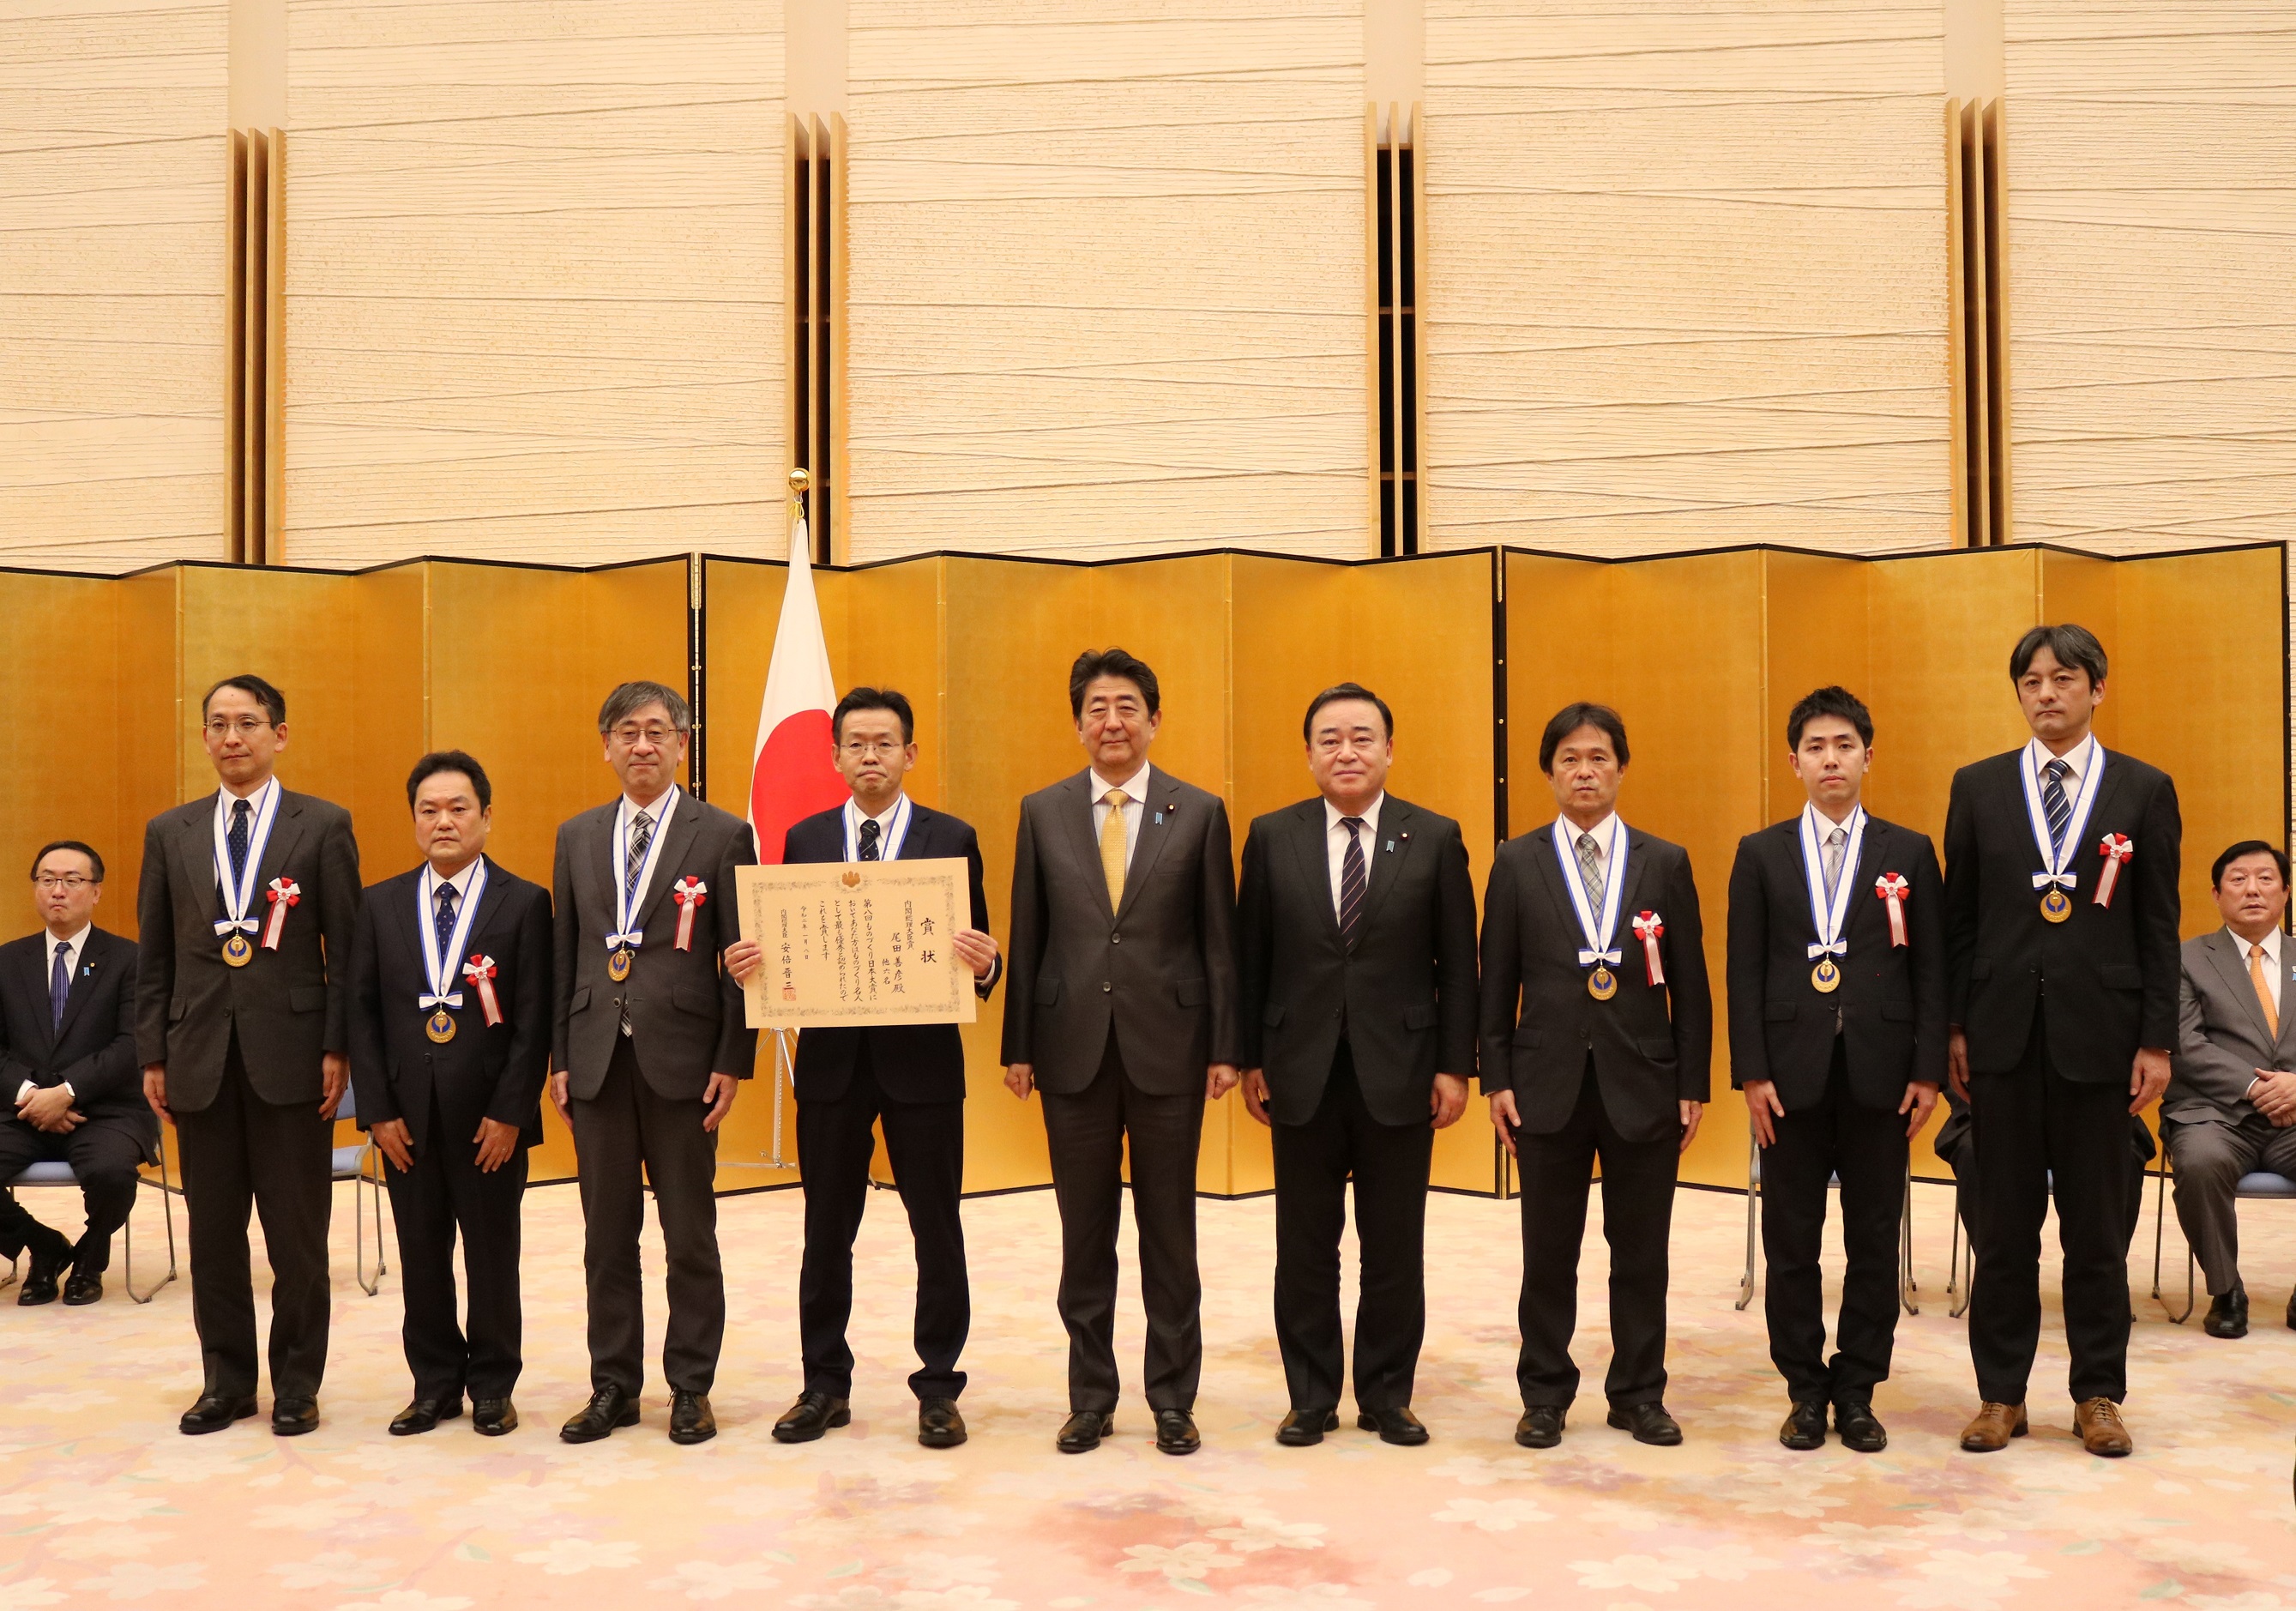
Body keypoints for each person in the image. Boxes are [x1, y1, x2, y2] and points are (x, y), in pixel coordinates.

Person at [727, 688, 1002, 1450]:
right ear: (837, 755)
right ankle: (823, 1384)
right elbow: (784, 945)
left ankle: (939, 1388)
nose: (870, 756)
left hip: (922, 1068)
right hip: (831, 1068)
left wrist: (987, 964)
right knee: (825, 1231)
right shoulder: (805, 838)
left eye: (885, 743)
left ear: (910, 754)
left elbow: (976, 954)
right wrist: (747, 961)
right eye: (856, 743)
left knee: (936, 1229)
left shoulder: (952, 836)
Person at [1944, 624, 2180, 1458]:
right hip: (2002, 1043)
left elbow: (2158, 925)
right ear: (2018, 693)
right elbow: (1959, 922)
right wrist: (1956, 1027)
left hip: (2102, 1045)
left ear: (2096, 689)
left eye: (2064, 679)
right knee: (2002, 1231)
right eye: (2031, 681)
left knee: (2094, 1233)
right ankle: (2000, 1396)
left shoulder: (2142, 790)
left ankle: (2097, 1395)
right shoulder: (1977, 788)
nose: (2046, 693)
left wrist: (2154, 1039)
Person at [1001, 647, 1240, 1457]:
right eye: (1097, 708)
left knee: (1169, 1230)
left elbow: (1218, 941)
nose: (1112, 721)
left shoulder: (1199, 812)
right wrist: (1018, 1046)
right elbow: (1027, 934)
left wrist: (1225, 1047)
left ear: (1154, 719)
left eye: (1128, 706)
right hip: (1070, 1050)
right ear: (1078, 724)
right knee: (1084, 1232)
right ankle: (1090, 1397)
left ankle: (1172, 1397)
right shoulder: (1042, 810)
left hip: (1171, 1050)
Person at [1234, 683, 1476, 1448]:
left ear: (1389, 749)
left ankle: (1386, 1395)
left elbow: (1457, 966)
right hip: (1297, 1069)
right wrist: (1247, 1057)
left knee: (1393, 1246)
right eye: (1329, 739)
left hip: (1401, 1070)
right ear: (1308, 754)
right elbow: (1250, 958)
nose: (1346, 751)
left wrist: (1453, 1065)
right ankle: (1310, 1396)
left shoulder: (1434, 837)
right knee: (1304, 1247)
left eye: (1362, 737)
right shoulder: (1272, 836)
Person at [1479, 702, 1709, 1450]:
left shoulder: (1663, 862)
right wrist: (1496, 1077)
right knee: (1548, 1251)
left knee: (1640, 1251)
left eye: (1598, 758)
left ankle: (1638, 1393)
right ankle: (1543, 1392)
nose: (1584, 771)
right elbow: (1495, 982)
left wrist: (1692, 1083)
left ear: (1620, 768)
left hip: (1642, 1081)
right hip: (1544, 1084)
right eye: (1570, 759)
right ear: (1549, 773)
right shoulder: (1516, 861)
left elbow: (1691, 985)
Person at [136, 674, 359, 1436]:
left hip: (294, 1059)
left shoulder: (323, 825)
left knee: (297, 1236)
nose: (233, 738)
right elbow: (156, 957)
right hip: (198, 1058)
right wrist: (154, 1053)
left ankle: (297, 1383)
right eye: (219, 725)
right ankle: (225, 1381)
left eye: (249, 724)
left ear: (280, 735)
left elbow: (347, 950)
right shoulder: (171, 832)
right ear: (204, 737)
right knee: (214, 1234)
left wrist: (337, 1045)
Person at [1725, 686, 1943, 1453]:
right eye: (1815, 747)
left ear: (1867, 756)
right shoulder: (1759, 853)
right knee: (1791, 1240)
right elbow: (1743, 970)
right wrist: (1751, 1073)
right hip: (1787, 1079)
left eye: (1843, 745)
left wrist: (1927, 1070)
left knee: (1874, 1236)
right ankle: (1803, 1390)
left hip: (1882, 1076)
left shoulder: (1908, 851)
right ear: (1794, 762)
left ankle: (1856, 1388)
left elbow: (1930, 969)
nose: (1830, 759)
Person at [551, 680, 756, 1447]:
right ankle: (613, 1385)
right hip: (597, 1060)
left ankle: (691, 1387)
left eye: (658, 732)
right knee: (605, 1236)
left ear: (682, 744)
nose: (643, 745)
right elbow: (565, 950)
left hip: (684, 1062)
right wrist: (560, 1055)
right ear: (606, 745)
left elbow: (740, 957)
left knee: (688, 1233)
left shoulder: (723, 834)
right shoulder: (576, 836)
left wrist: (732, 1059)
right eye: (628, 732)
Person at [348, 751, 552, 1436]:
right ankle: (434, 1384)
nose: (443, 822)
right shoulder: (378, 904)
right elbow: (363, 1015)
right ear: (413, 821)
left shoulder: (523, 903)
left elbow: (532, 1021)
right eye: (428, 810)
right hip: (406, 1122)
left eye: (458, 808)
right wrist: (376, 1110)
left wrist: (511, 1114)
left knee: (493, 1255)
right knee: (422, 1256)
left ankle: (494, 1384)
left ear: (486, 816)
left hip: (488, 1121)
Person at [0, 841, 152, 1305]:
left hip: (105, 1110)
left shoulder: (130, 959)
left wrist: (67, 1091)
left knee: (111, 1174)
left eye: (71, 881)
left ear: (97, 892)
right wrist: (33, 1095)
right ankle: (43, 1245)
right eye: (47, 880)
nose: (58, 891)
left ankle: (90, 1256)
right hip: (19, 1109)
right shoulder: (6, 960)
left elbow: (134, 1043)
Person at [2164, 840, 2296, 1337]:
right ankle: (2226, 1289)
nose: (2253, 890)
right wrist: (2254, 1086)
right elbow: (2183, 1043)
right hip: (2215, 1113)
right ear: (2217, 895)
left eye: (2266, 878)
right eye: (2238, 880)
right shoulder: (2186, 957)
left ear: (2285, 892)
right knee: (2199, 1163)